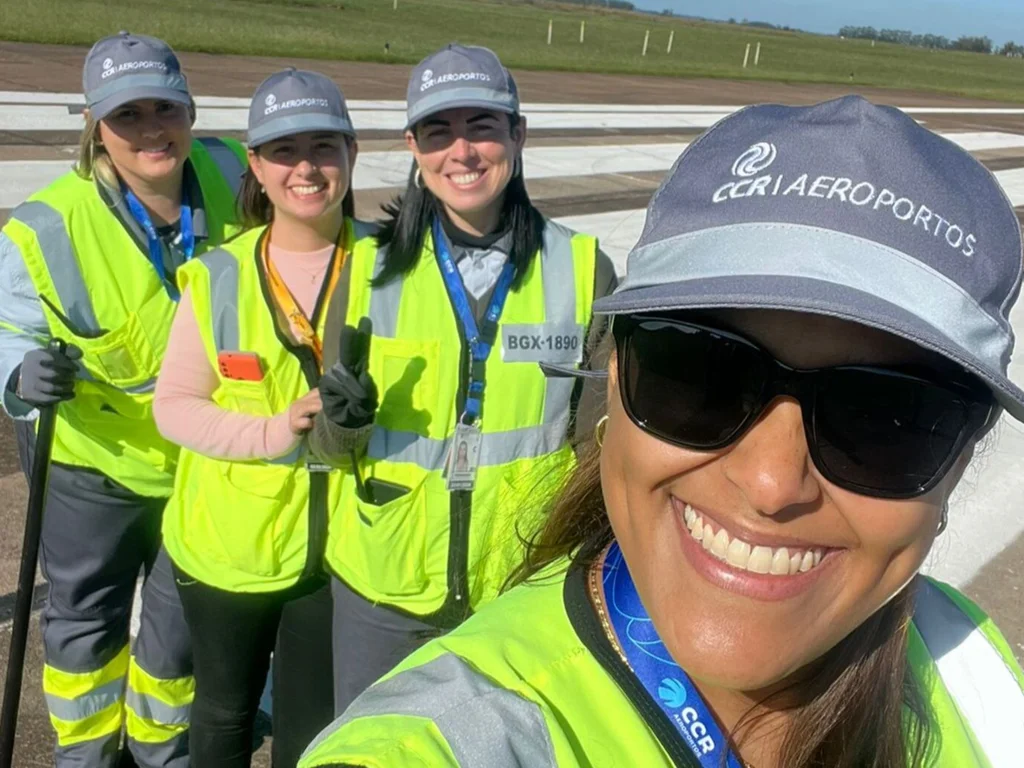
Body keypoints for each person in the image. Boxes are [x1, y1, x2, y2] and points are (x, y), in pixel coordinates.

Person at [299, 96, 1024, 768]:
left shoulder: (974, 673)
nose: (771, 484)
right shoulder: (441, 742)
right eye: (697, 374)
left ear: (961, 457)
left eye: (888, 419)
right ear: (614, 375)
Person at [309, 42, 618, 715]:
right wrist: (343, 421)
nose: (463, 151)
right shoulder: (362, 268)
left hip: (517, 582)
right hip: (382, 589)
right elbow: (326, 453)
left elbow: (601, 449)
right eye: (438, 131)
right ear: (415, 148)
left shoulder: (584, 270)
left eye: (482, 125)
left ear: (518, 135)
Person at [0, 32, 247, 768]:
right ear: (93, 124)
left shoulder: (234, 172)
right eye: (126, 114)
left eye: (164, 108)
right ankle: (86, 755)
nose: (150, 130)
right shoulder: (45, 225)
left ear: (190, 111)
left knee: (176, 637)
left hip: (203, 468)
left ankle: (158, 753)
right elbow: (6, 327)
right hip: (93, 469)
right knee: (84, 630)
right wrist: (17, 377)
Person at [153, 68, 377, 768]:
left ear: (351, 153)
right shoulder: (219, 276)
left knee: (313, 729)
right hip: (229, 549)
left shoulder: (393, 265)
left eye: (323, 147)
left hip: (341, 552)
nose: (305, 168)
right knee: (222, 717)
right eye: (283, 150)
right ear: (255, 162)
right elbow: (175, 409)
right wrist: (274, 431)